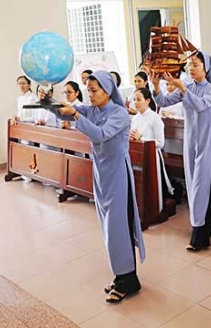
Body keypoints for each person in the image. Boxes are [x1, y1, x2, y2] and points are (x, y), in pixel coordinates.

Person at [52, 71, 145, 303]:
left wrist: (75, 113)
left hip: (117, 174)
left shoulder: (120, 113)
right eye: (88, 91)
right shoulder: (93, 110)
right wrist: (48, 102)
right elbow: (66, 111)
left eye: (94, 91)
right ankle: (121, 275)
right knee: (107, 227)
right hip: (101, 173)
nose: (90, 95)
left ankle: (128, 280)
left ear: (108, 90)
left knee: (118, 227)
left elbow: (100, 134)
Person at [152, 51, 211, 251]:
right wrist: (156, 86)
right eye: (189, 64)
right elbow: (163, 102)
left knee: (201, 185)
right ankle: (207, 224)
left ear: (205, 68)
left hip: (206, 142)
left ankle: (199, 237)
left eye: (196, 65)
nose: (191, 68)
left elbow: (199, 106)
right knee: (192, 184)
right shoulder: (187, 86)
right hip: (190, 143)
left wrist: (183, 88)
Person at [130, 87, 173, 212]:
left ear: (148, 100)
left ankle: (153, 207)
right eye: (134, 100)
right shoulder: (135, 118)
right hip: (137, 155)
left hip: (152, 156)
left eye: (138, 99)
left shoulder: (155, 118)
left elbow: (160, 143)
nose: (136, 103)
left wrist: (141, 139)